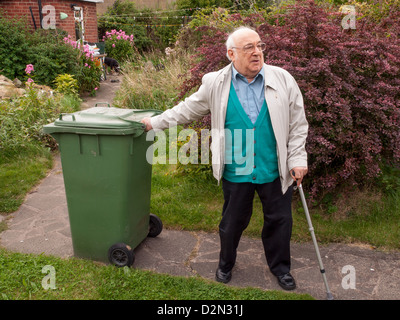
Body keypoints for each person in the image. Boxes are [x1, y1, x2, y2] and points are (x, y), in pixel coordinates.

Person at [141, 26, 308, 291]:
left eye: (259, 45)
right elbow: (187, 109)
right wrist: (155, 123)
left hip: (275, 166)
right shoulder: (215, 83)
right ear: (231, 54)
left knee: (279, 222)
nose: (257, 52)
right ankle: (225, 263)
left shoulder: (283, 78)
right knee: (231, 224)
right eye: (249, 48)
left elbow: (298, 124)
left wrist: (298, 159)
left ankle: (281, 269)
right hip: (237, 165)